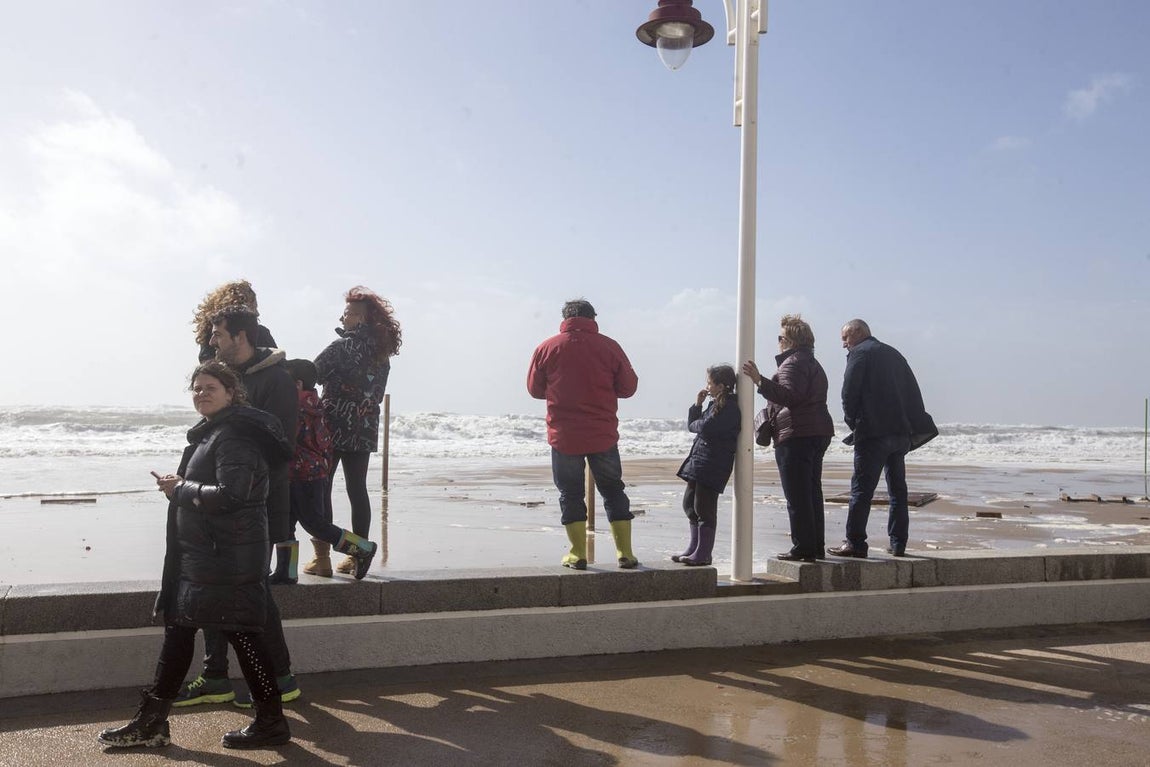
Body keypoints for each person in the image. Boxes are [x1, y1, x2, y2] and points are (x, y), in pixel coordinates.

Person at [97, 361, 292, 750]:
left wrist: (180, 488)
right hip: (209, 559)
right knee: (181, 631)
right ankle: (153, 720)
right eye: (197, 388)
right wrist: (182, 486)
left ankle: (270, 722)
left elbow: (232, 494)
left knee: (240, 635)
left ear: (232, 392)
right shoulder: (216, 432)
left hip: (227, 561)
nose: (202, 393)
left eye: (211, 387)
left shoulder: (235, 435)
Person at [175, 307, 300, 708]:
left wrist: (268, 515)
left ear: (240, 336)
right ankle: (215, 676)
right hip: (215, 512)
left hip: (252, 510)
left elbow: (278, 449)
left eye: (217, 335)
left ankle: (279, 680)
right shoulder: (229, 376)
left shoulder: (276, 381)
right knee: (215, 591)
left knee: (253, 594)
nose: (211, 341)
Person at [527, 299, 640, 569]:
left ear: (565, 318)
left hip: (564, 435)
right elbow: (628, 387)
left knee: (570, 493)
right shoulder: (609, 347)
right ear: (593, 318)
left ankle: (578, 553)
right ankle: (624, 552)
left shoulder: (547, 347)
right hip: (602, 433)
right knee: (613, 490)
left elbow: (534, 389)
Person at [828, 319, 938, 559]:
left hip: (873, 433)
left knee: (861, 490)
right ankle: (898, 543)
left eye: (845, 338)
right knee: (897, 490)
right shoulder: (894, 354)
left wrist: (853, 422)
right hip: (899, 434)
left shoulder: (859, 354)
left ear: (858, 333)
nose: (844, 344)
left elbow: (848, 393)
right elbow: (912, 392)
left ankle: (855, 542)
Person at [314, 286, 402, 574]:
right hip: (364, 428)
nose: (343, 317)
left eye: (349, 313)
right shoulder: (382, 355)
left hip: (332, 427)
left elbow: (312, 373)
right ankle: (357, 554)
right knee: (357, 489)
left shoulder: (341, 347)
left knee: (322, 488)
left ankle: (323, 558)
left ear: (362, 319)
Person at [743, 315, 836, 562]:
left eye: (780, 337)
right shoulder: (812, 362)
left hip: (797, 434)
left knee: (797, 495)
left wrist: (759, 381)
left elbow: (790, 396)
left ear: (790, 341)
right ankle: (814, 546)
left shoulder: (792, 363)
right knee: (811, 492)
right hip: (817, 431)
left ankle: (803, 547)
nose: (778, 342)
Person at [283, 358, 378, 579]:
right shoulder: (315, 404)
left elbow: (287, 440)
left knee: (315, 524)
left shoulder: (296, 407)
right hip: (311, 473)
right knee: (286, 523)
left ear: (296, 384)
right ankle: (286, 572)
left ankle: (363, 549)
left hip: (303, 474)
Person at [672, 365, 740, 567]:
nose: (707, 386)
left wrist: (699, 424)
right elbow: (694, 425)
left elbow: (707, 427)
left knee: (704, 508)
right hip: (700, 460)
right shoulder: (713, 405)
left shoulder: (729, 407)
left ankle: (704, 553)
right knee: (689, 504)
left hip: (714, 463)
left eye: (710, 383)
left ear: (721, 385)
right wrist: (698, 405)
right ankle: (694, 547)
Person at [191, 280, 276, 363]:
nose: (257, 313)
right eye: (253, 307)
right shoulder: (260, 333)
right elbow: (276, 362)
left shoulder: (208, 340)